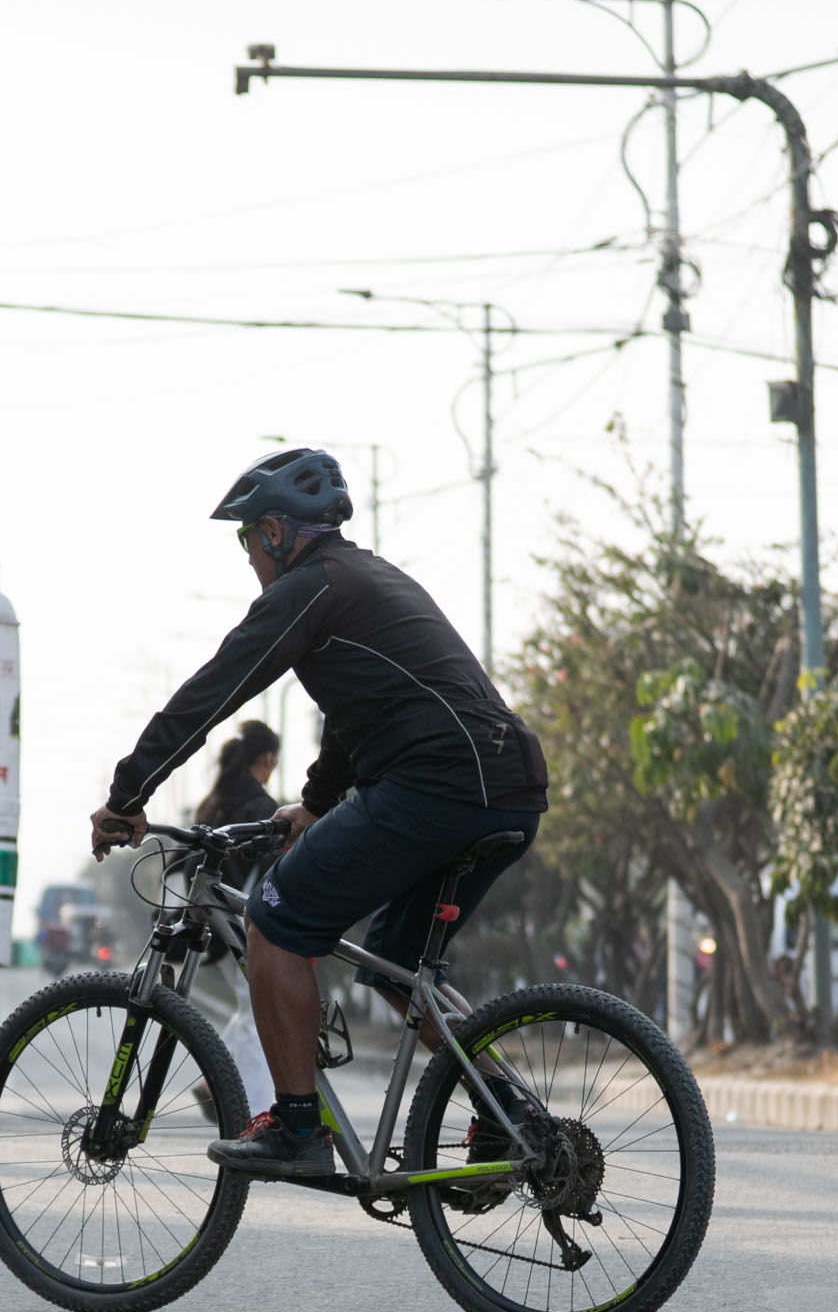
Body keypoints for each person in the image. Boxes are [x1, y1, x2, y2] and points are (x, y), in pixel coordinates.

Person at [90, 447, 548, 1179]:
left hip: (440, 783)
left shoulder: (308, 588)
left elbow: (214, 691)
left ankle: (299, 1126)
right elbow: (354, 715)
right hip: (508, 786)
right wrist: (318, 803)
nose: (246, 557)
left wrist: (127, 794)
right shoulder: (369, 580)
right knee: (398, 969)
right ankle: (510, 1113)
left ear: (275, 533)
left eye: (246, 540)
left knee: (274, 914)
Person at [190, 719, 282, 1118]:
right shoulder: (262, 808)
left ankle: (212, 1081)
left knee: (249, 1006)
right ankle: (255, 1112)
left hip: (208, 921)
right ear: (268, 758)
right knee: (257, 1012)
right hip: (242, 923)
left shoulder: (211, 803)